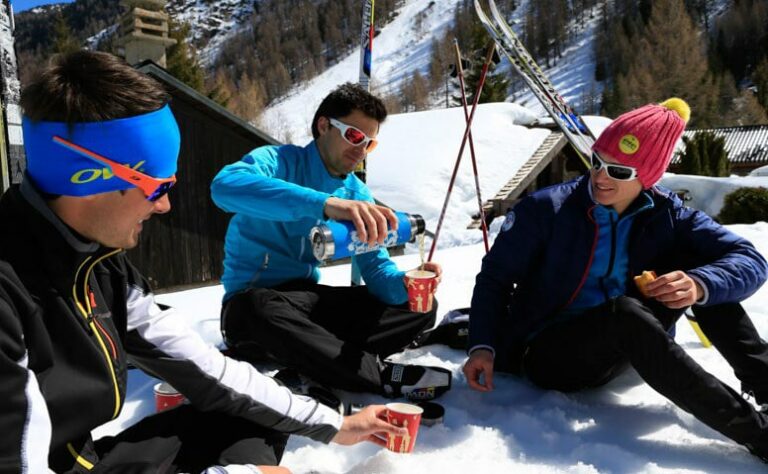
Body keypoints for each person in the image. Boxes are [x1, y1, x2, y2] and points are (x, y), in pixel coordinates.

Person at [0, 51, 407, 473]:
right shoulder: (9, 294)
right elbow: (229, 186)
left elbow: (206, 368)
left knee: (253, 415)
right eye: (158, 187)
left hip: (87, 461)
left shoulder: (101, 265)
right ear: (91, 176)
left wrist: (335, 424)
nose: (164, 206)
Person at [463, 98, 768, 460]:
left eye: (619, 171)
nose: (601, 177)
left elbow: (750, 260)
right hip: (549, 354)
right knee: (624, 313)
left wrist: (699, 284)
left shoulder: (669, 214)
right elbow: (494, 278)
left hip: (632, 341)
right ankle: (758, 434)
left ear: (648, 176)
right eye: (596, 161)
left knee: (704, 273)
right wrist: (482, 345)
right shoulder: (547, 210)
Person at [211, 83, 451, 400]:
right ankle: (375, 373)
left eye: (369, 143)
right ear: (324, 125)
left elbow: (376, 268)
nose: (361, 149)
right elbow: (224, 187)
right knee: (256, 308)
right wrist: (324, 204)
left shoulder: (357, 193)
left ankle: (311, 358)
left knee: (420, 307)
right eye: (354, 136)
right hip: (252, 306)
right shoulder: (278, 161)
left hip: (307, 302)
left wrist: (407, 284)